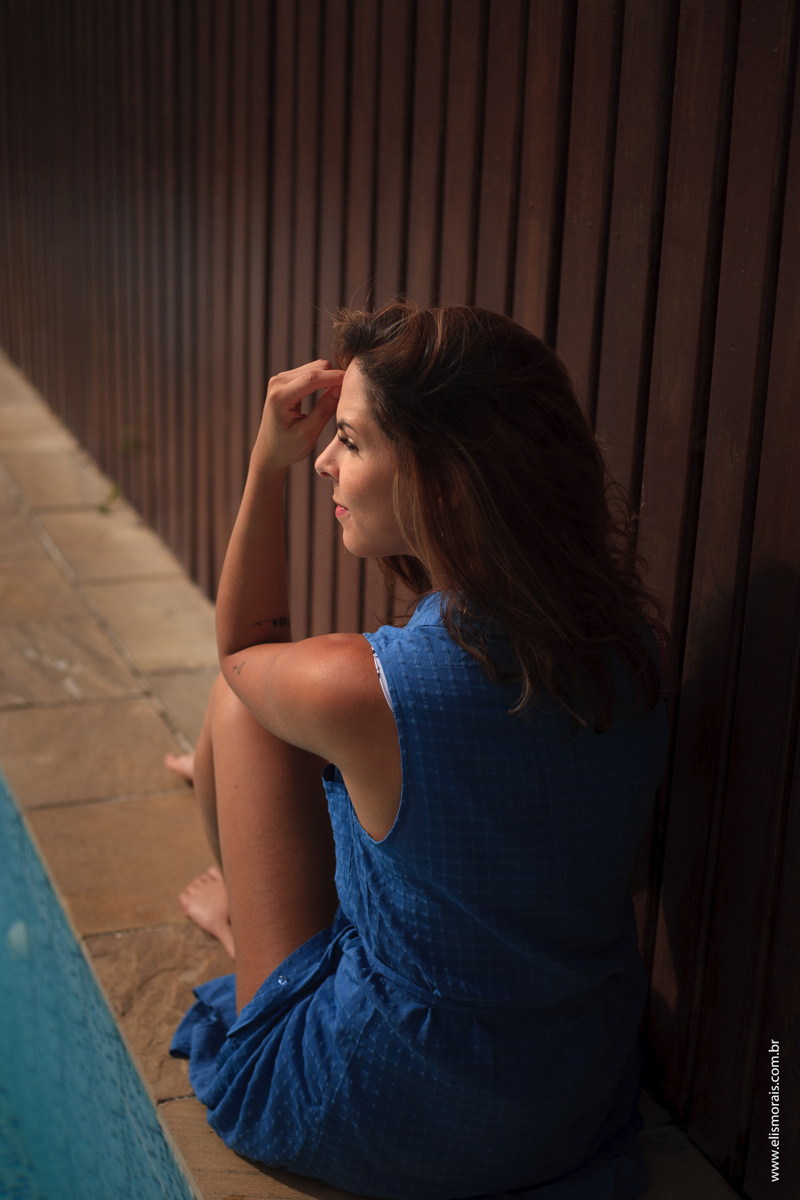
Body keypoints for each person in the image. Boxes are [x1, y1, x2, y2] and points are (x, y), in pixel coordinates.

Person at [169, 301, 672, 1200]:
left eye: (350, 441)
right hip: (571, 1094)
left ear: (443, 484)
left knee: (243, 715)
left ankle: (254, 942)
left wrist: (266, 464)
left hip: (395, 1099)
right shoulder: (630, 655)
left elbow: (244, 652)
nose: (324, 460)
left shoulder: (366, 688)